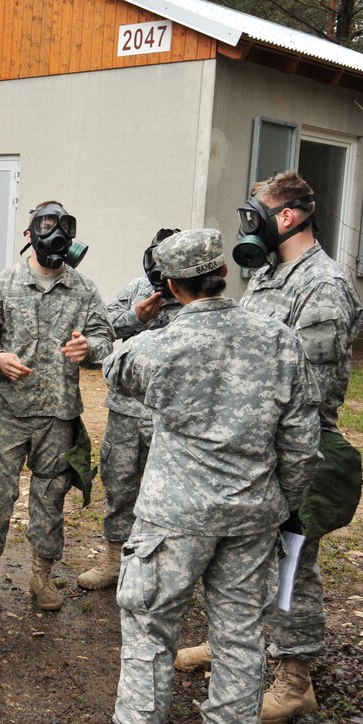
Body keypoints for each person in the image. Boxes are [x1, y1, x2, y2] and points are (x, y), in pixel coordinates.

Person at [107, 228, 320, 723]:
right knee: (242, 638)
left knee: (149, 635)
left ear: (169, 286)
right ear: (224, 272)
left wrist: (138, 324)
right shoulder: (279, 340)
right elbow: (303, 444)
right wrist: (279, 500)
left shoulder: (156, 348)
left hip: (172, 520)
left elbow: (114, 364)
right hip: (252, 517)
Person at [174, 172, 363, 722]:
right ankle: (240, 644)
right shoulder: (267, 277)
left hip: (297, 453)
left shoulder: (322, 285)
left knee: (292, 566)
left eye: (255, 214)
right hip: (253, 447)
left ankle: (296, 677)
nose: (246, 225)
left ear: (286, 218)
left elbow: (315, 388)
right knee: (243, 555)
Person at [0, 201, 113, 613]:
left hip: (58, 416)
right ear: (29, 235)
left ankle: (42, 576)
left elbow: (105, 339)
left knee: (51, 499)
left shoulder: (83, 289)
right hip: (7, 414)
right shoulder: (1, 286)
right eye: (46, 226)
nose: (54, 235)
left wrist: (90, 348)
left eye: (62, 227)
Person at [77, 228, 182, 591]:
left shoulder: (194, 298)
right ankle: (114, 561)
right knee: (120, 487)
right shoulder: (137, 289)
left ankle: (159, 571)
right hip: (124, 412)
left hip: (169, 417)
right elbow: (100, 329)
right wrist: (135, 317)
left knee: (166, 494)